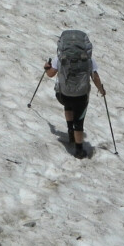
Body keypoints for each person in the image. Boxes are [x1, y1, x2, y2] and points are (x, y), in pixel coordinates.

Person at [43, 30, 106, 158]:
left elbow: (50, 74)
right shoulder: (88, 59)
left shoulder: (60, 58)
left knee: (68, 106)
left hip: (63, 95)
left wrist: (46, 68)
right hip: (81, 96)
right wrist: (101, 90)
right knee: (79, 120)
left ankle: (70, 131)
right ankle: (79, 150)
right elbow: (95, 77)